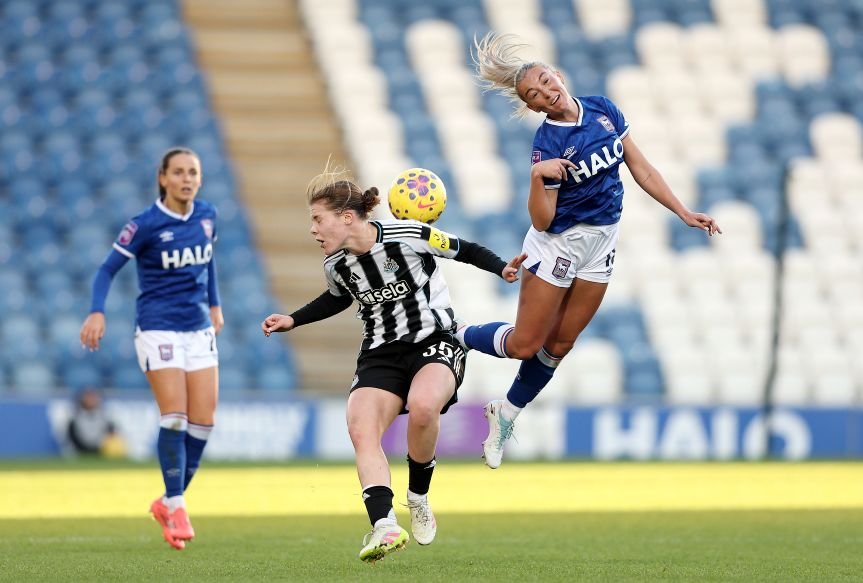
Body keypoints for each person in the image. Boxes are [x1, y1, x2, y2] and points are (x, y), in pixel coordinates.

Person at [457, 33, 722, 469]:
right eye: (534, 95)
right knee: (527, 344)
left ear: (557, 74)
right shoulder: (549, 144)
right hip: (558, 242)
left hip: (602, 241)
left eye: (545, 81)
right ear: (534, 108)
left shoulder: (602, 108)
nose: (545, 92)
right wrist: (536, 177)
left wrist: (683, 211)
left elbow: (640, 166)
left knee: (561, 344)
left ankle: (506, 413)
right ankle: (458, 332)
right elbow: (543, 220)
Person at [260, 166, 524, 563]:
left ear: (347, 217)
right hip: (380, 353)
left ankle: (417, 496)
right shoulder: (336, 265)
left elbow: (463, 248)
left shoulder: (409, 235)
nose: (313, 229)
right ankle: (383, 525)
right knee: (360, 428)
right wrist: (293, 319)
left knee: (422, 407)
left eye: (318, 219)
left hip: (435, 341)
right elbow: (337, 299)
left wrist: (501, 267)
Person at [79, 148, 222, 551]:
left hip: (197, 328)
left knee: (203, 422)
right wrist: (96, 312)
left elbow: (209, 262)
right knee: (175, 416)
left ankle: (168, 500)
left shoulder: (208, 215)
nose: (187, 179)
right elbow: (107, 268)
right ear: (163, 178)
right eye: (178, 172)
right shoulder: (145, 224)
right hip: (158, 328)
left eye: (193, 172)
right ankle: (176, 503)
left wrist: (214, 304)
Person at [67, 387, 126, 458]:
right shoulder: (74, 418)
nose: (91, 400)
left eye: (93, 398)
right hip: (80, 453)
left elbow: (111, 434)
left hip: (101, 452)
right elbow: (72, 437)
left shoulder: (105, 417)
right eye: (88, 397)